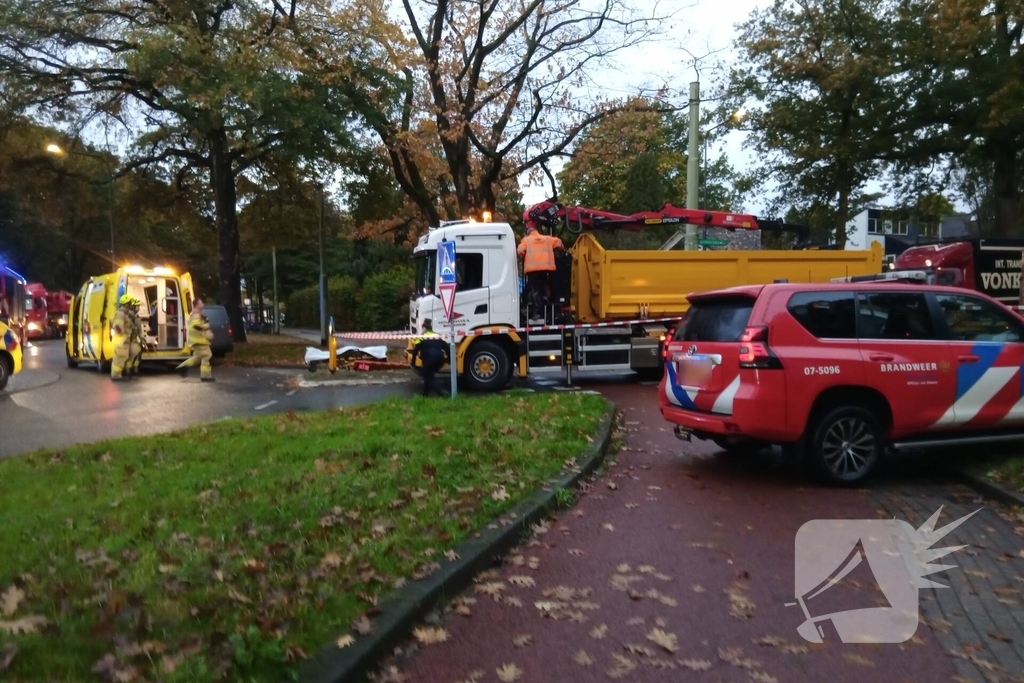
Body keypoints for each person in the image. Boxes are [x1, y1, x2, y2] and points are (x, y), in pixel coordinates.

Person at [516, 225, 564, 322]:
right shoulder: (547, 239)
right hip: (546, 268)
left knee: (535, 290)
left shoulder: (526, 240)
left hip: (533, 269)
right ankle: (545, 297)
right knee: (543, 285)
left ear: (528, 233)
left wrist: (522, 254)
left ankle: (538, 312)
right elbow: (558, 242)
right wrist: (561, 249)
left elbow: (520, 251)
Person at [176, 299, 214, 382]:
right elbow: (196, 326)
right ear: (197, 305)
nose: (203, 304)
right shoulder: (196, 315)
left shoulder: (195, 314)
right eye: (201, 303)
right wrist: (206, 325)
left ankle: (183, 367)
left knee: (198, 357)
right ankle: (205, 376)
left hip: (197, 340)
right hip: (199, 340)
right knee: (207, 356)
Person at [409, 319, 449, 397]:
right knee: (428, 377)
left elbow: (415, 351)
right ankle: (424, 396)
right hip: (439, 359)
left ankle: (443, 393)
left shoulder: (421, 337)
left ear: (424, 328)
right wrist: (448, 360)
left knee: (428, 379)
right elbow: (447, 348)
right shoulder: (438, 336)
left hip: (429, 360)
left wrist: (413, 363)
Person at [110, 294, 132, 381]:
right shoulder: (121, 314)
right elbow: (117, 326)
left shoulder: (124, 314)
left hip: (123, 339)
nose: (131, 305)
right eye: (129, 303)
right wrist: (122, 336)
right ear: (126, 304)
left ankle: (120, 374)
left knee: (123, 357)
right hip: (121, 340)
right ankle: (116, 376)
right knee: (119, 358)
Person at [125, 297, 145, 379]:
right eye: (137, 306)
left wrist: (143, 339)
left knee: (138, 354)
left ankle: (134, 370)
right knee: (131, 356)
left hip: (133, 340)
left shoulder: (137, 318)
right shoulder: (127, 317)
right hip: (128, 340)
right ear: (133, 306)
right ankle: (128, 372)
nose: (139, 308)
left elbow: (139, 330)